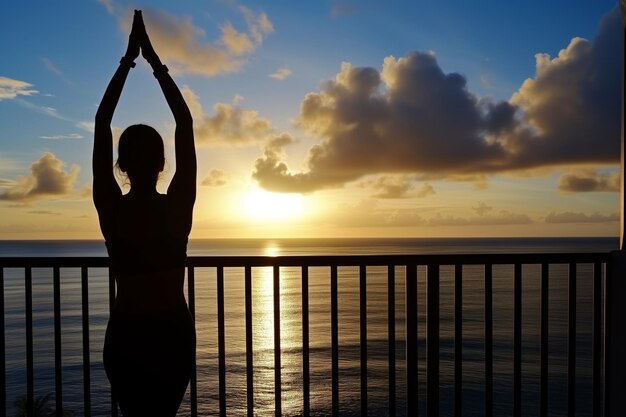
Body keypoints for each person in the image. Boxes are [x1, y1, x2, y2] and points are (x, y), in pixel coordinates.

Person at [93, 10, 196, 416]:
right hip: (170, 335)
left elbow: (102, 121)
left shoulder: (112, 212)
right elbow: (184, 121)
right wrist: (154, 62)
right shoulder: (176, 210)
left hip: (129, 336)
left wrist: (127, 62)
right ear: (161, 164)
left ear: (120, 166)